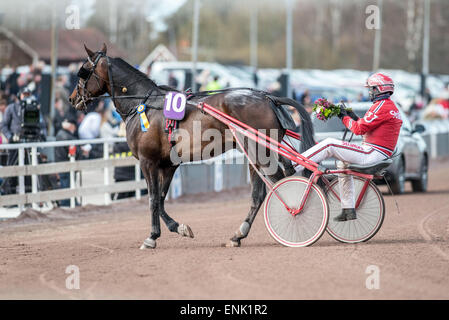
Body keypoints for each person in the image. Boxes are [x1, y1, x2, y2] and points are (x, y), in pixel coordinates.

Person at [294, 73, 403, 222]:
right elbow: (365, 126)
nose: (370, 92)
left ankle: (293, 166)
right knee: (342, 163)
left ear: (379, 89)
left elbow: (358, 130)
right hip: (377, 153)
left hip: (371, 153)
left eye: (371, 89)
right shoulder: (389, 107)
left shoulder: (382, 106)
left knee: (330, 143)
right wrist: (353, 117)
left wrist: (343, 117)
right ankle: (348, 209)